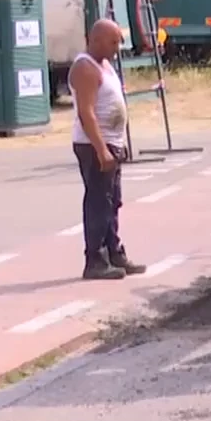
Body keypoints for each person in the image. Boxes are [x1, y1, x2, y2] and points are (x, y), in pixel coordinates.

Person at [70, 19, 146, 280]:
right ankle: (95, 260)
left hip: (112, 144)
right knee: (98, 203)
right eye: (113, 42)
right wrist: (101, 149)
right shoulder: (85, 67)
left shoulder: (105, 65)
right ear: (97, 39)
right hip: (94, 146)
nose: (118, 47)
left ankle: (114, 253)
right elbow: (86, 113)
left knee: (113, 202)